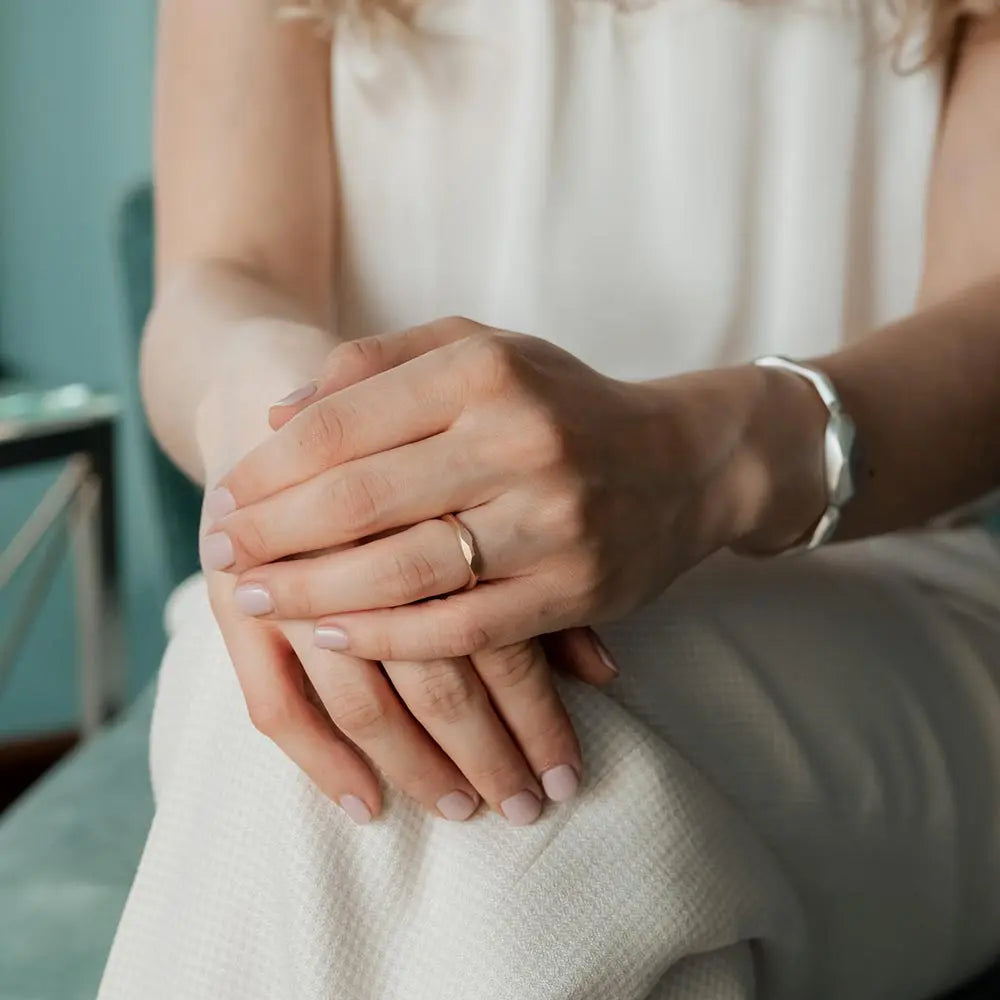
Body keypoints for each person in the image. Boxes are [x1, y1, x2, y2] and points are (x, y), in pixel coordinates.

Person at [99, 1, 1000, 997]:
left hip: (868, 589)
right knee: (366, 713)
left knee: (432, 771)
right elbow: (225, 274)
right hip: (355, 562)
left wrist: (707, 455)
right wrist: (307, 463)